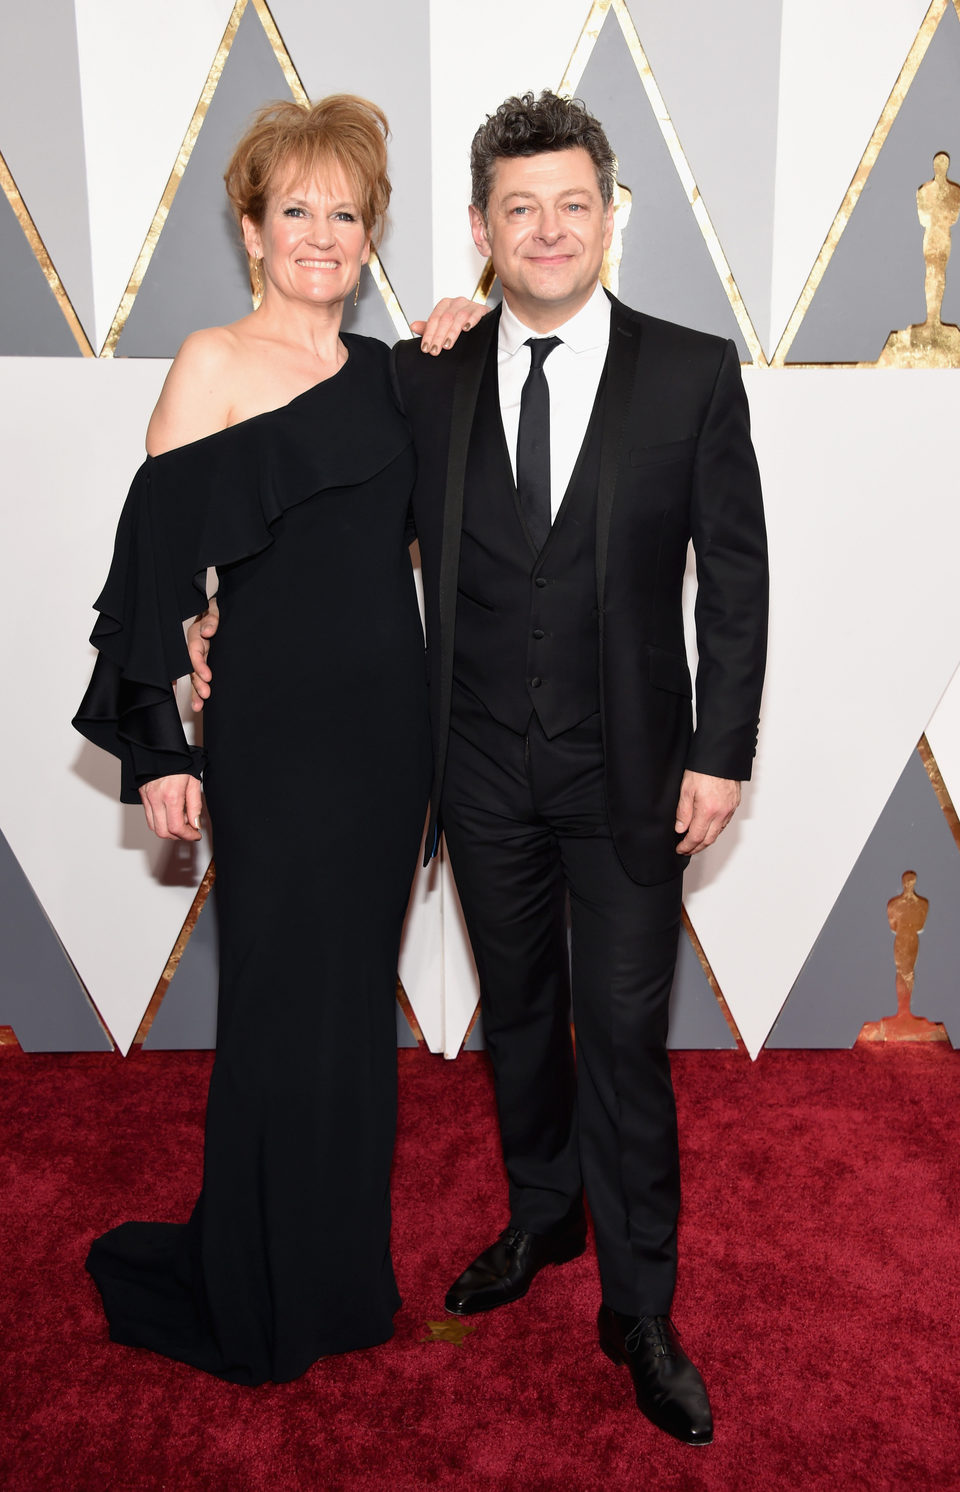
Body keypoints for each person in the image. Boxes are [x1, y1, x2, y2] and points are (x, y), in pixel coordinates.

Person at [191, 91, 768, 1441]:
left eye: (573, 204)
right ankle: (542, 1214)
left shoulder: (693, 370)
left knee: (621, 1039)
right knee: (520, 1026)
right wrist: (208, 616)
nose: (550, 229)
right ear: (480, 229)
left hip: (634, 775)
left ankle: (640, 1307)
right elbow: (312, 523)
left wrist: (723, 753)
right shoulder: (422, 375)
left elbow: (733, 576)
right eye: (521, 209)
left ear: (609, 217)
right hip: (473, 772)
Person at [73, 95, 449, 1385]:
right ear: (252, 228)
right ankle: (255, 1277)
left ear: (370, 235)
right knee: (278, 1003)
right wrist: (169, 752)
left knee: (351, 1005)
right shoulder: (213, 364)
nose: (324, 234)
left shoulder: (401, 379)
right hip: (275, 736)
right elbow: (154, 579)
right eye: (298, 209)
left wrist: (453, 331)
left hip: (388, 733)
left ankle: (341, 1276)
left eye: (348, 212)